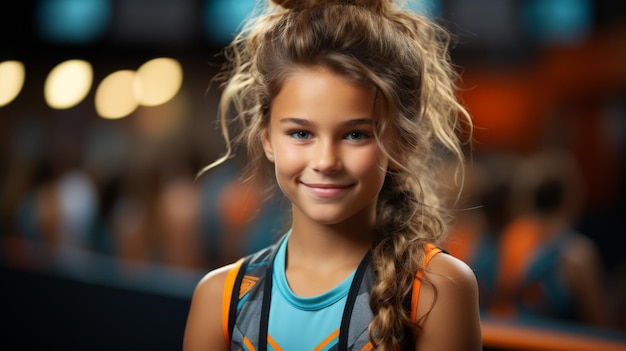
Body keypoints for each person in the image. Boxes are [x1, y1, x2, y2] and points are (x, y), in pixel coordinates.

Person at [184, 0, 482, 350]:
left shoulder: (436, 289)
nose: (325, 161)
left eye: (355, 134)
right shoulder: (221, 298)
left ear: (401, 145)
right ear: (267, 139)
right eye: (301, 133)